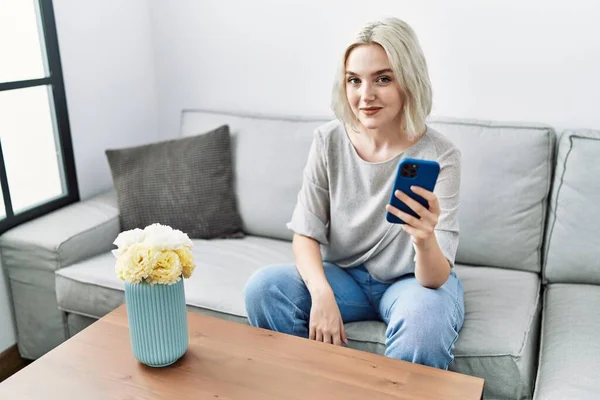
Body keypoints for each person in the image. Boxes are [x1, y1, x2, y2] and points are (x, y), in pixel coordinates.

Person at [244, 17, 464, 370]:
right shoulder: (328, 141)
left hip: (412, 283)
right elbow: (305, 233)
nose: (366, 96)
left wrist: (424, 240)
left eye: (383, 78)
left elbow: (434, 278)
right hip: (344, 277)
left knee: (425, 323)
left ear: (408, 80)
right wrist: (322, 294)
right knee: (264, 287)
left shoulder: (441, 155)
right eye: (354, 80)